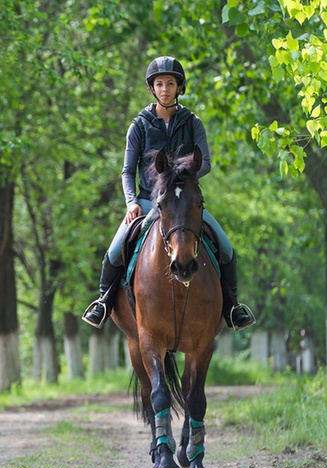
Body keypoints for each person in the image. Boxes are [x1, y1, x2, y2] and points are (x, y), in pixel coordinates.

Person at [82, 56, 255, 331]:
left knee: (226, 248)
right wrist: (130, 203)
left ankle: (233, 307)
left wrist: (181, 180)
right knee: (114, 251)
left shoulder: (192, 122)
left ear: (179, 87)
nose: (165, 89)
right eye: (159, 84)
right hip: (148, 200)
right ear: (152, 88)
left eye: (170, 83)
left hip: (185, 203)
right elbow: (127, 171)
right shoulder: (138, 125)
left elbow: (205, 163)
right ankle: (103, 302)